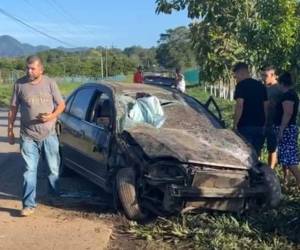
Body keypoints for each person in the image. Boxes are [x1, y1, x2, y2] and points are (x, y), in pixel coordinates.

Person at [7, 55, 65, 216]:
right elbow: (13, 109)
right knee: (29, 170)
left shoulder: (50, 83)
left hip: (49, 134)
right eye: (27, 68)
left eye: (32, 68)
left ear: (41, 69)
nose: (29, 71)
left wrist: (51, 116)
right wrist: (10, 130)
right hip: (28, 135)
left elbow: (61, 105)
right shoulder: (20, 84)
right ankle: (28, 205)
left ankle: (54, 196)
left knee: (53, 168)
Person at [233, 62, 268, 156]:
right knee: (256, 155)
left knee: (245, 155)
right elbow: (266, 106)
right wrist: (265, 123)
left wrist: (235, 124)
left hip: (245, 126)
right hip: (260, 126)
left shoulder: (241, 86)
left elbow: (240, 105)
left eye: (236, 77)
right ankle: (257, 170)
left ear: (241, 73)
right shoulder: (261, 86)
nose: (236, 79)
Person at [274, 72, 300, 186]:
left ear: (282, 83)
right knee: (285, 157)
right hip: (286, 128)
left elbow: (288, 113)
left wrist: (281, 130)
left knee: (289, 159)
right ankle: (286, 180)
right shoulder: (289, 94)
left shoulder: (288, 95)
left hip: (287, 129)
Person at [261, 66, 282, 168]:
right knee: (258, 147)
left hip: (274, 123)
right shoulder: (263, 88)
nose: (263, 78)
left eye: (265, 76)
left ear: (273, 75)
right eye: (262, 75)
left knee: (272, 149)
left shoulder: (279, 89)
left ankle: (271, 170)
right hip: (262, 122)